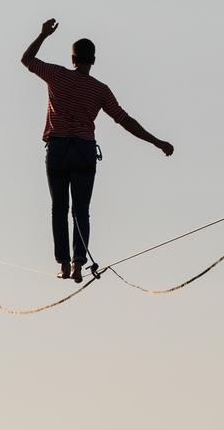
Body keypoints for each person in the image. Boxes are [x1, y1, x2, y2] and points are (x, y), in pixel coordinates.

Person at [22, 18, 173, 282]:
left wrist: (43, 34)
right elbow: (125, 120)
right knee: (81, 209)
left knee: (59, 207)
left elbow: (27, 59)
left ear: (72, 58)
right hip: (84, 150)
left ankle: (64, 264)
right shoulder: (100, 90)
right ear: (94, 60)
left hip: (57, 147)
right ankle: (79, 263)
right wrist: (156, 141)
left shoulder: (57, 75)